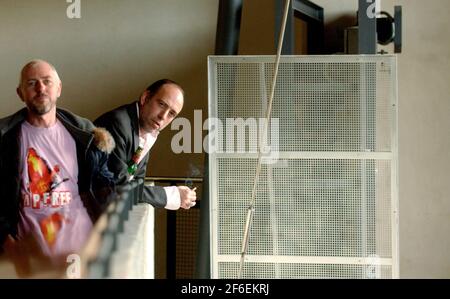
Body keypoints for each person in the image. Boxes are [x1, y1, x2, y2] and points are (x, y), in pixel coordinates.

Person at [0, 59, 116, 276]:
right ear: (20, 93)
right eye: (32, 83)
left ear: (59, 88)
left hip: (84, 256)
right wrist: (7, 242)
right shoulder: (5, 139)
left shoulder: (86, 136)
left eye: (46, 81)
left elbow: (106, 186)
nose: (40, 88)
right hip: (32, 263)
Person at [94, 79, 196, 210]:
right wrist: (173, 195)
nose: (163, 116)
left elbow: (136, 182)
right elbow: (119, 188)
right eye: (161, 104)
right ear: (145, 98)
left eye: (171, 114)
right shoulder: (117, 123)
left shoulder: (146, 132)